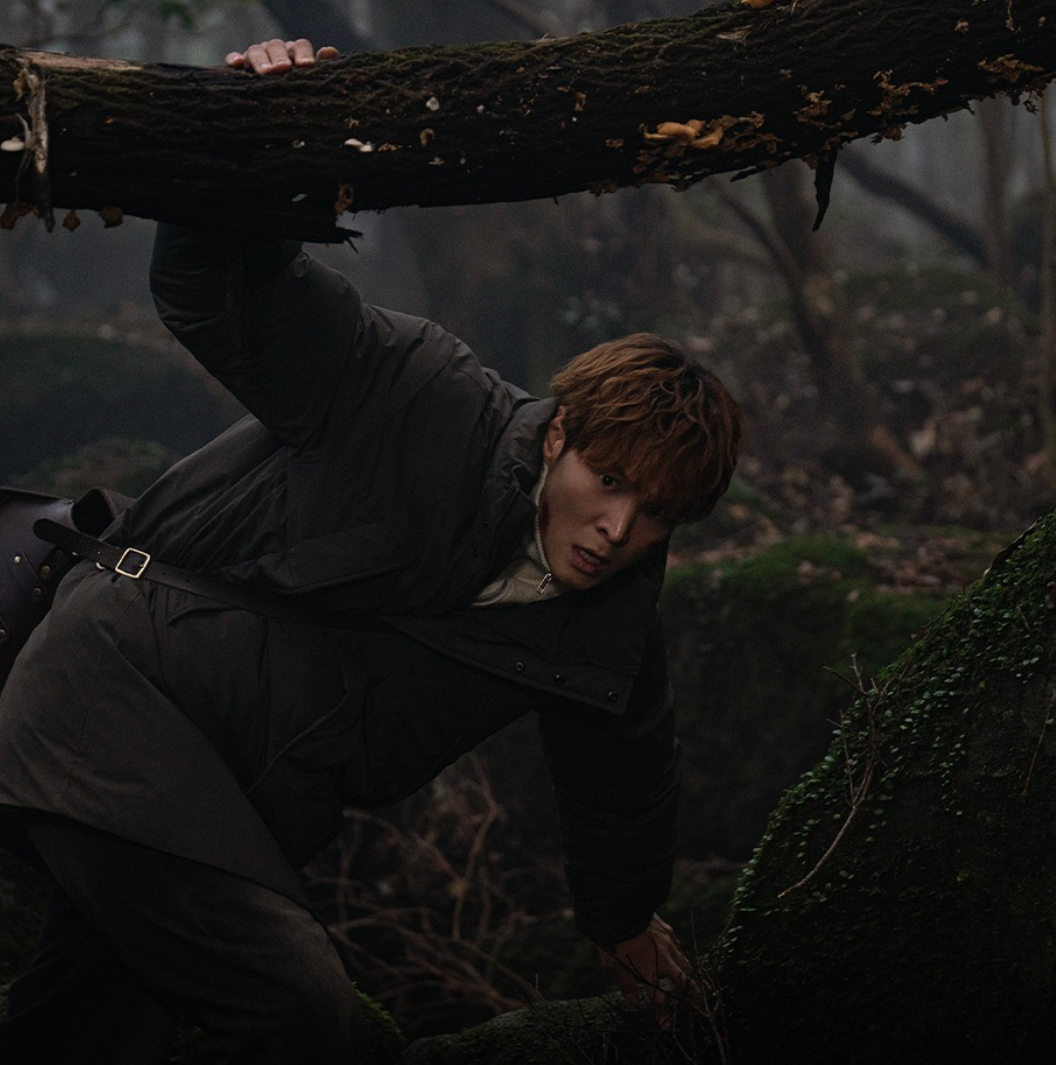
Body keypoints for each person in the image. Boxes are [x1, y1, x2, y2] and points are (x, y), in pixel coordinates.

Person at [0, 38, 744, 1064]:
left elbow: (621, 784)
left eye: (656, 513)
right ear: (560, 435)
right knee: (302, 1013)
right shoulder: (417, 394)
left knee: (82, 1031)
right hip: (113, 694)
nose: (620, 529)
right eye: (609, 481)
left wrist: (622, 922)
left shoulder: (605, 634)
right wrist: (257, 128)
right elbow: (218, 292)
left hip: (227, 806)